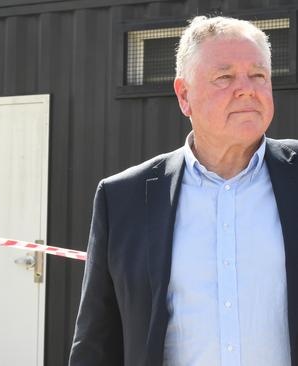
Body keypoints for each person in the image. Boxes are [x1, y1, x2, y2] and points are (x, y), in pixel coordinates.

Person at [69, 16, 297, 366]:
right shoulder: (124, 199)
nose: (247, 88)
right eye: (225, 77)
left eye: (258, 75)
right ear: (184, 95)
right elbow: (97, 341)